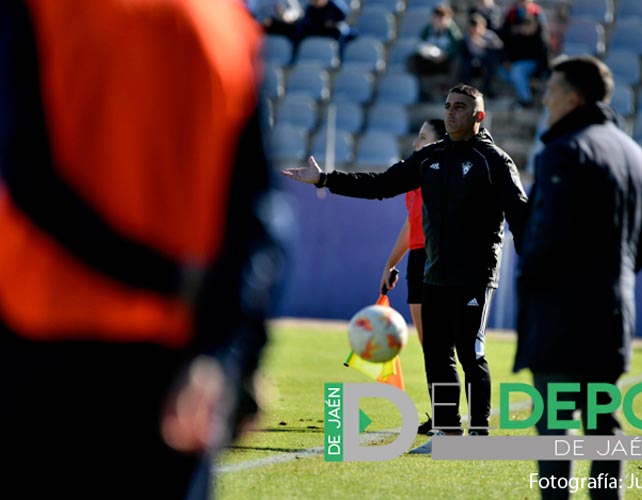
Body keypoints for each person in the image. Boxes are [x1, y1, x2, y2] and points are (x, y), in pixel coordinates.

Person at [0, 1, 285, 497]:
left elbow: (27, 176)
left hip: (42, 344)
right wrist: (233, 350)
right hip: (172, 363)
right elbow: (260, 216)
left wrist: (170, 279)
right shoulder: (223, 21)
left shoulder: (40, 11)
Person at [283, 83, 528, 452]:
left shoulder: (493, 161)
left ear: (479, 116)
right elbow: (382, 184)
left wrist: (536, 267)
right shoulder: (430, 157)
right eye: (447, 105)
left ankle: (479, 432)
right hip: (436, 272)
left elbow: (520, 216)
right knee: (437, 352)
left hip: (476, 274)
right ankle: (447, 431)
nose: (450, 112)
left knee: (469, 350)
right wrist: (326, 180)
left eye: (460, 107)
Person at [515, 55, 642, 499]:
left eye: (552, 91)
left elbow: (547, 237)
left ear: (573, 98)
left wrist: (530, 278)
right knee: (603, 427)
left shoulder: (565, 150)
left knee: (556, 432)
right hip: (613, 318)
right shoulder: (636, 155)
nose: (545, 99)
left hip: (561, 322)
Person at [379, 118, 447, 435]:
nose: (415, 144)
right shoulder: (415, 180)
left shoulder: (439, 177)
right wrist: (390, 263)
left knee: (441, 344)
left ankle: (448, 416)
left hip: (438, 256)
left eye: (422, 138)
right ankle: (442, 413)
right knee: (429, 343)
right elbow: (411, 225)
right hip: (418, 259)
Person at [499, 0, 550, 108]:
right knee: (503, 71)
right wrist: (506, 60)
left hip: (533, 65)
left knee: (517, 71)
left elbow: (544, 59)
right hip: (517, 63)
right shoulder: (516, 27)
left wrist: (536, 76)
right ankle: (526, 88)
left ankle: (525, 100)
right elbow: (507, 43)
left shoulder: (540, 37)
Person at [408, 4, 463, 80]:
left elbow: (456, 46)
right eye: (436, 17)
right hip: (429, 59)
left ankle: (450, 85)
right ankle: (417, 84)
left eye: (441, 18)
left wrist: (445, 55)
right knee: (412, 60)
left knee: (457, 62)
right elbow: (420, 43)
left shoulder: (451, 30)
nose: (438, 21)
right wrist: (425, 53)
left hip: (445, 61)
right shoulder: (428, 29)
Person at [457, 14, 504, 98]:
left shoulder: (490, 35)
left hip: (486, 62)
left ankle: (488, 89)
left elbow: (499, 47)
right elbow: (462, 52)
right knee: (464, 66)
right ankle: (465, 91)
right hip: (471, 62)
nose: (475, 30)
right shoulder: (466, 37)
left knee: (491, 65)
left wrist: (485, 45)